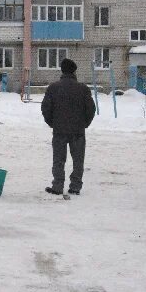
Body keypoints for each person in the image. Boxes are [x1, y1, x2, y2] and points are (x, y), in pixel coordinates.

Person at [41, 58, 96, 196]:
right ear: (74, 71)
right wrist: (85, 124)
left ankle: (58, 186)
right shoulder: (83, 89)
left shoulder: (53, 88)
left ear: (62, 70)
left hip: (59, 130)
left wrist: (52, 123)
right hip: (78, 131)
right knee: (78, 160)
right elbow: (91, 109)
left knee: (58, 159)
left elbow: (45, 108)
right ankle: (75, 187)